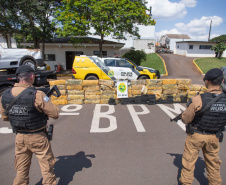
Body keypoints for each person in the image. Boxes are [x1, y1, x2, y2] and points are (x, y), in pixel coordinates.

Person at [0, 65, 59, 185]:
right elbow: (55, 114)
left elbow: (5, 117)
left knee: (21, 170)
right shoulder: (37, 95)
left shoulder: (5, 95)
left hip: (20, 137)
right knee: (47, 169)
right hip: (38, 137)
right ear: (32, 76)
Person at [179, 68, 226, 185]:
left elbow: (186, 119)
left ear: (207, 82)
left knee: (188, 164)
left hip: (196, 135)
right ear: (222, 81)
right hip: (215, 136)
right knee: (213, 165)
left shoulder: (198, 99)